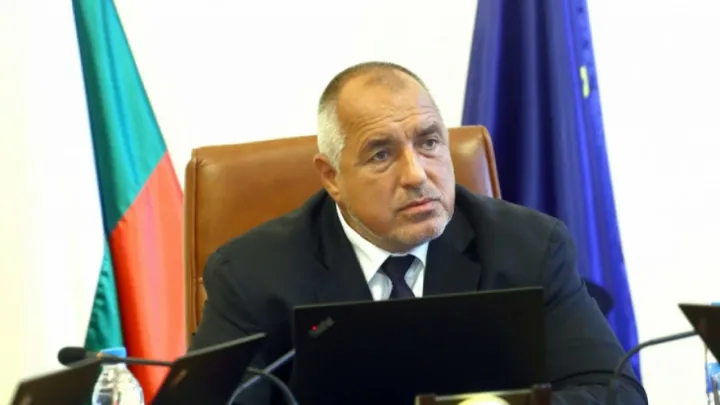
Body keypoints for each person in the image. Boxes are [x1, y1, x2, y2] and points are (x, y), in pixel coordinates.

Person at [190, 61, 648, 405]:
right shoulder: (252, 273)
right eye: (381, 154)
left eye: (429, 143)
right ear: (332, 178)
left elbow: (615, 392)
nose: (416, 174)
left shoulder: (528, 247)